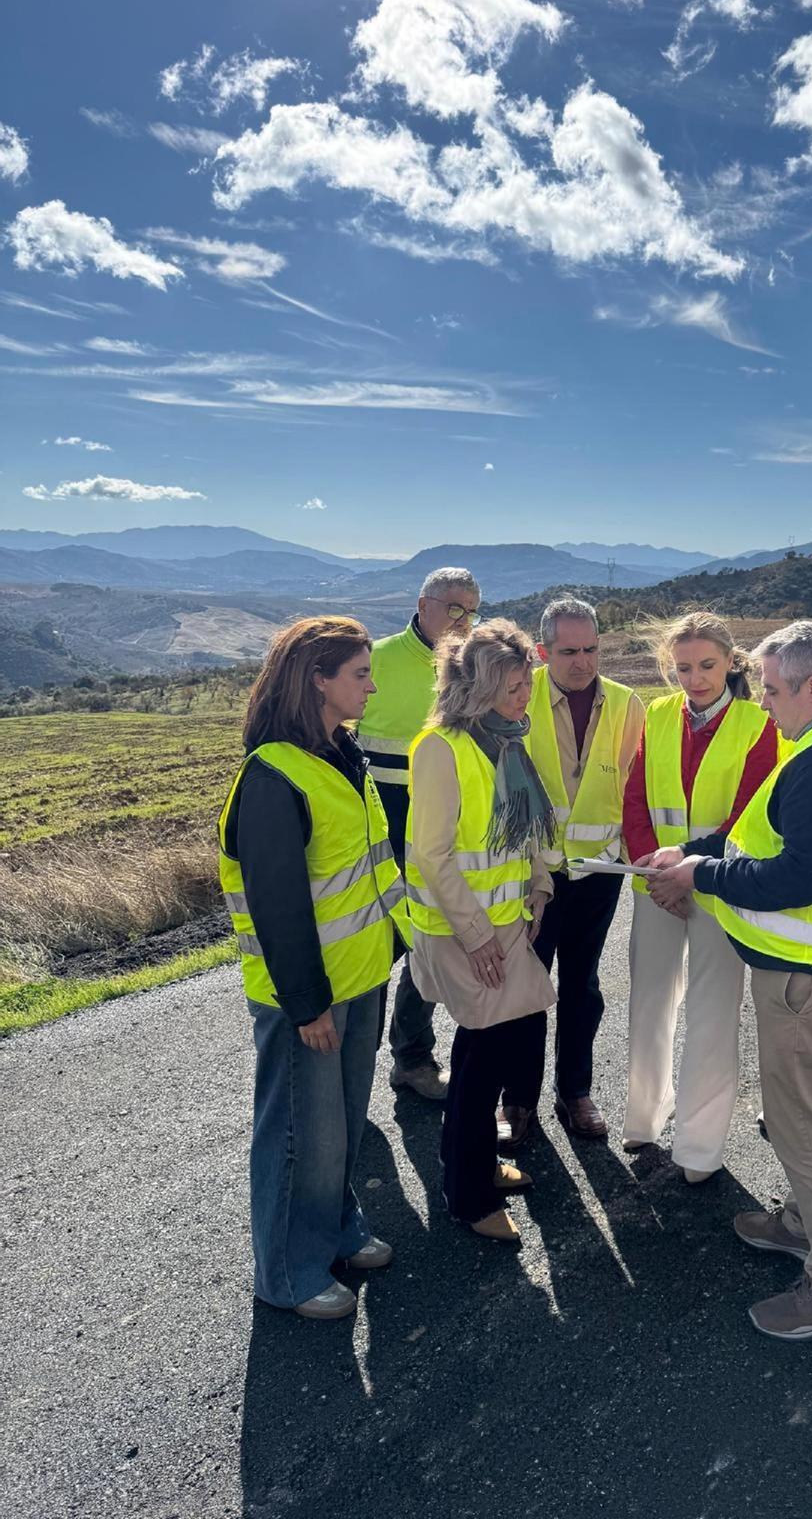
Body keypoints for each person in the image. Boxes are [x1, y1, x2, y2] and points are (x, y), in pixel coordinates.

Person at [646, 621, 812, 1341]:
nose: (762, 703)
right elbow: (765, 839)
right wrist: (694, 851)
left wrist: (702, 874)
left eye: (771, 689)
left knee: (805, 1128)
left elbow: (802, 876)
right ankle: (803, 1223)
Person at [218, 617, 408, 1321]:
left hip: (361, 977)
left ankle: (334, 1229)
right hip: (308, 995)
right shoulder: (272, 777)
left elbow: (370, 873)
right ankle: (288, 1272)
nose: (371, 684)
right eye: (360, 673)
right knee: (299, 1132)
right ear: (317, 680)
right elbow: (279, 907)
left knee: (341, 1126)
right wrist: (306, 1005)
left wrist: (404, 947)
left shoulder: (341, 750)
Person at [405, 619, 558, 1242]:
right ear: (479, 687)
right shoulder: (441, 747)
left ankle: (477, 1168)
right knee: (483, 1054)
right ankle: (468, 1194)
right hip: (467, 933)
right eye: (515, 686)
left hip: (506, 926)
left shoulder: (507, 740)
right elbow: (431, 854)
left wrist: (541, 881)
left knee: (490, 1049)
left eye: (527, 683)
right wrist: (474, 935)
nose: (526, 696)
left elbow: (525, 829)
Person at [622, 611, 778, 1182]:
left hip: (718, 887)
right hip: (656, 886)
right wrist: (652, 873)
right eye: (683, 667)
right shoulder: (657, 716)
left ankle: (699, 1148)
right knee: (649, 1003)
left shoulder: (759, 725)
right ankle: (643, 1119)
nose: (695, 678)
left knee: (714, 1015)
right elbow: (635, 802)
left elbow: (749, 818)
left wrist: (686, 869)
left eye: (707, 665)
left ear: (731, 662)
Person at [519, 597, 645, 1143]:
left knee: (582, 987)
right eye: (568, 651)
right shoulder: (517, 700)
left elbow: (636, 789)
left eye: (592, 649)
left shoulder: (625, 703)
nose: (582, 662)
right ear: (543, 650)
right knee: (525, 990)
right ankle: (517, 1101)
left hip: (598, 872)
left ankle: (576, 1093)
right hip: (533, 875)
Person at [357, 566, 482, 1102]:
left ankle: (411, 1058)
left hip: (441, 828)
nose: (464, 620)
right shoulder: (375, 659)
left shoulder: (474, 666)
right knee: (371, 950)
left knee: (424, 946)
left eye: (472, 609)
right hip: (377, 828)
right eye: (454, 607)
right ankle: (351, 1072)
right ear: (423, 604)